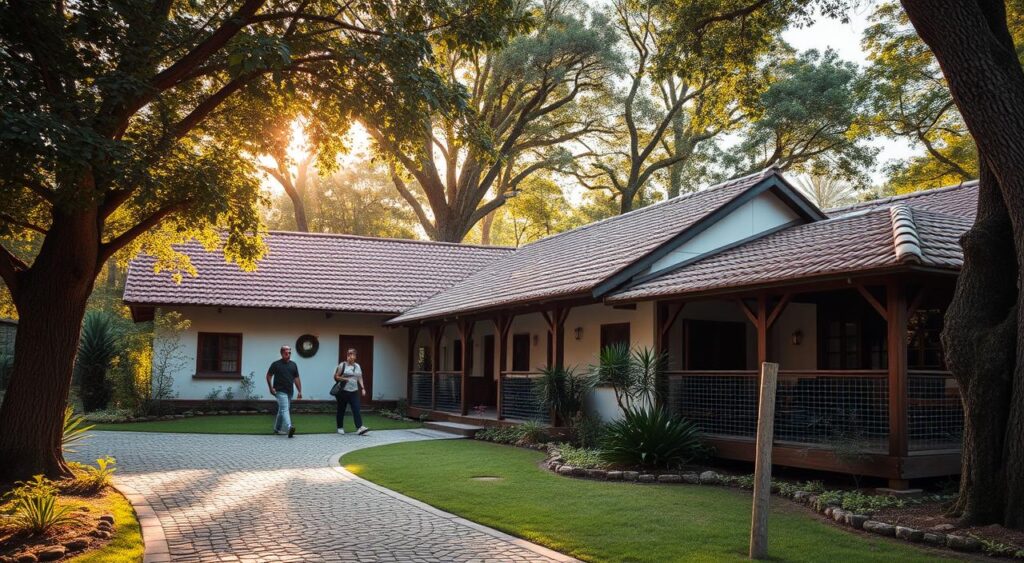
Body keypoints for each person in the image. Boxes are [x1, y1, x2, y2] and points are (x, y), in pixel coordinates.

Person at [267, 345, 302, 438]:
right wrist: (271, 388)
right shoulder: (276, 364)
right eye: (286, 352)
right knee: (285, 409)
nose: (288, 354)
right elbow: (268, 376)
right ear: (282, 353)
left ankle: (277, 429)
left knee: (282, 410)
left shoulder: (293, 365)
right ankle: (289, 427)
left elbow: (296, 378)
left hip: (290, 391)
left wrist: (299, 391)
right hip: (279, 391)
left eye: (290, 352)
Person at [334, 348, 368, 435]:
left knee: (356, 409)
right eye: (348, 354)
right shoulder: (342, 365)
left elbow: (359, 377)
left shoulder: (357, 366)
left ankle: (359, 427)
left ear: (355, 356)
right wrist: (344, 378)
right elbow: (336, 376)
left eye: (352, 354)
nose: (350, 356)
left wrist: (363, 388)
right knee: (341, 410)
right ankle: (340, 427)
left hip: (354, 391)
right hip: (343, 391)